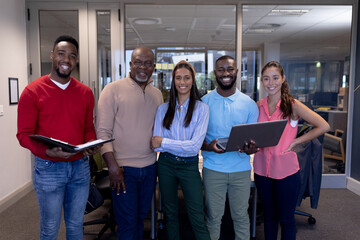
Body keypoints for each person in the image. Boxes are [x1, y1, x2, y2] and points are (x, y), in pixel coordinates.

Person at [16, 35, 100, 240]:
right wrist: (46, 151)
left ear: (76, 60)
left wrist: (91, 144)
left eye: (72, 56)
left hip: (80, 168)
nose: (67, 59)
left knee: (75, 226)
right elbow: (23, 135)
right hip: (48, 169)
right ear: (52, 55)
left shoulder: (85, 93)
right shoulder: (32, 91)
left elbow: (88, 127)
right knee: (50, 228)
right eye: (61, 54)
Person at [253, 61, 330, 240]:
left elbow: (323, 125)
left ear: (283, 79)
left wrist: (296, 141)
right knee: (269, 218)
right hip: (262, 171)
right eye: (266, 78)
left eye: (275, 78)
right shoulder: (258, 105)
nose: (270, 83)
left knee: (286, 219)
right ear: (261, 81)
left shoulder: (292, 105)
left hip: (286, 172)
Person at [96, 46, 163, 240]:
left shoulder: (156, 94)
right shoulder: (112, 90)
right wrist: (113, 167)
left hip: (150, 168)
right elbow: (103, 132)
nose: (143, 67)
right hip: (123, 170)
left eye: (148, 63)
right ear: (130, 64)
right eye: (138, 62)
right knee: (126, 221)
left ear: (153, 66)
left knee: (141, 218)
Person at [201, 55, 259, 240]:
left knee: (241, 217)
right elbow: (196, 140)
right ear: (215, 73)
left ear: (237, 72)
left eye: (230, 69)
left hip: (240, 170)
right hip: (213, 169)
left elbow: (254, 139)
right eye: (221, 69)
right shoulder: (204, 103)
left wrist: (251, 149)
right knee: (213, 217)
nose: (226, 73)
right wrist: (208, 147)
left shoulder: (249, 104)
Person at [151, 60, 211, 240]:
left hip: (189, 166)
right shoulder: (163, 109)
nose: (182, 82)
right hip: (166, 165)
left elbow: (194, 148)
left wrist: (165, 141)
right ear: (173, 81)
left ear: (193, 80)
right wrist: (168, 143)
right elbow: (156, 144)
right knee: (170, 214)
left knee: (197, 215)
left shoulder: (202, 109)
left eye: (186, 77)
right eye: (178, 78)